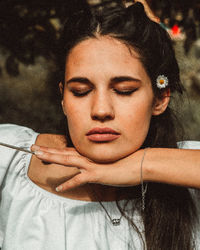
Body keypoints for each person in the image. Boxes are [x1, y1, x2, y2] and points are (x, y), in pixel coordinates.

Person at [0, 2, 200, 250]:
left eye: (124, 91)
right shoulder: (10, 161)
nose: (101, 110)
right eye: (81, 91)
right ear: (63, 98)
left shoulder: (188, 177)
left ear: (160, 98)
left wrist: (142, 165)